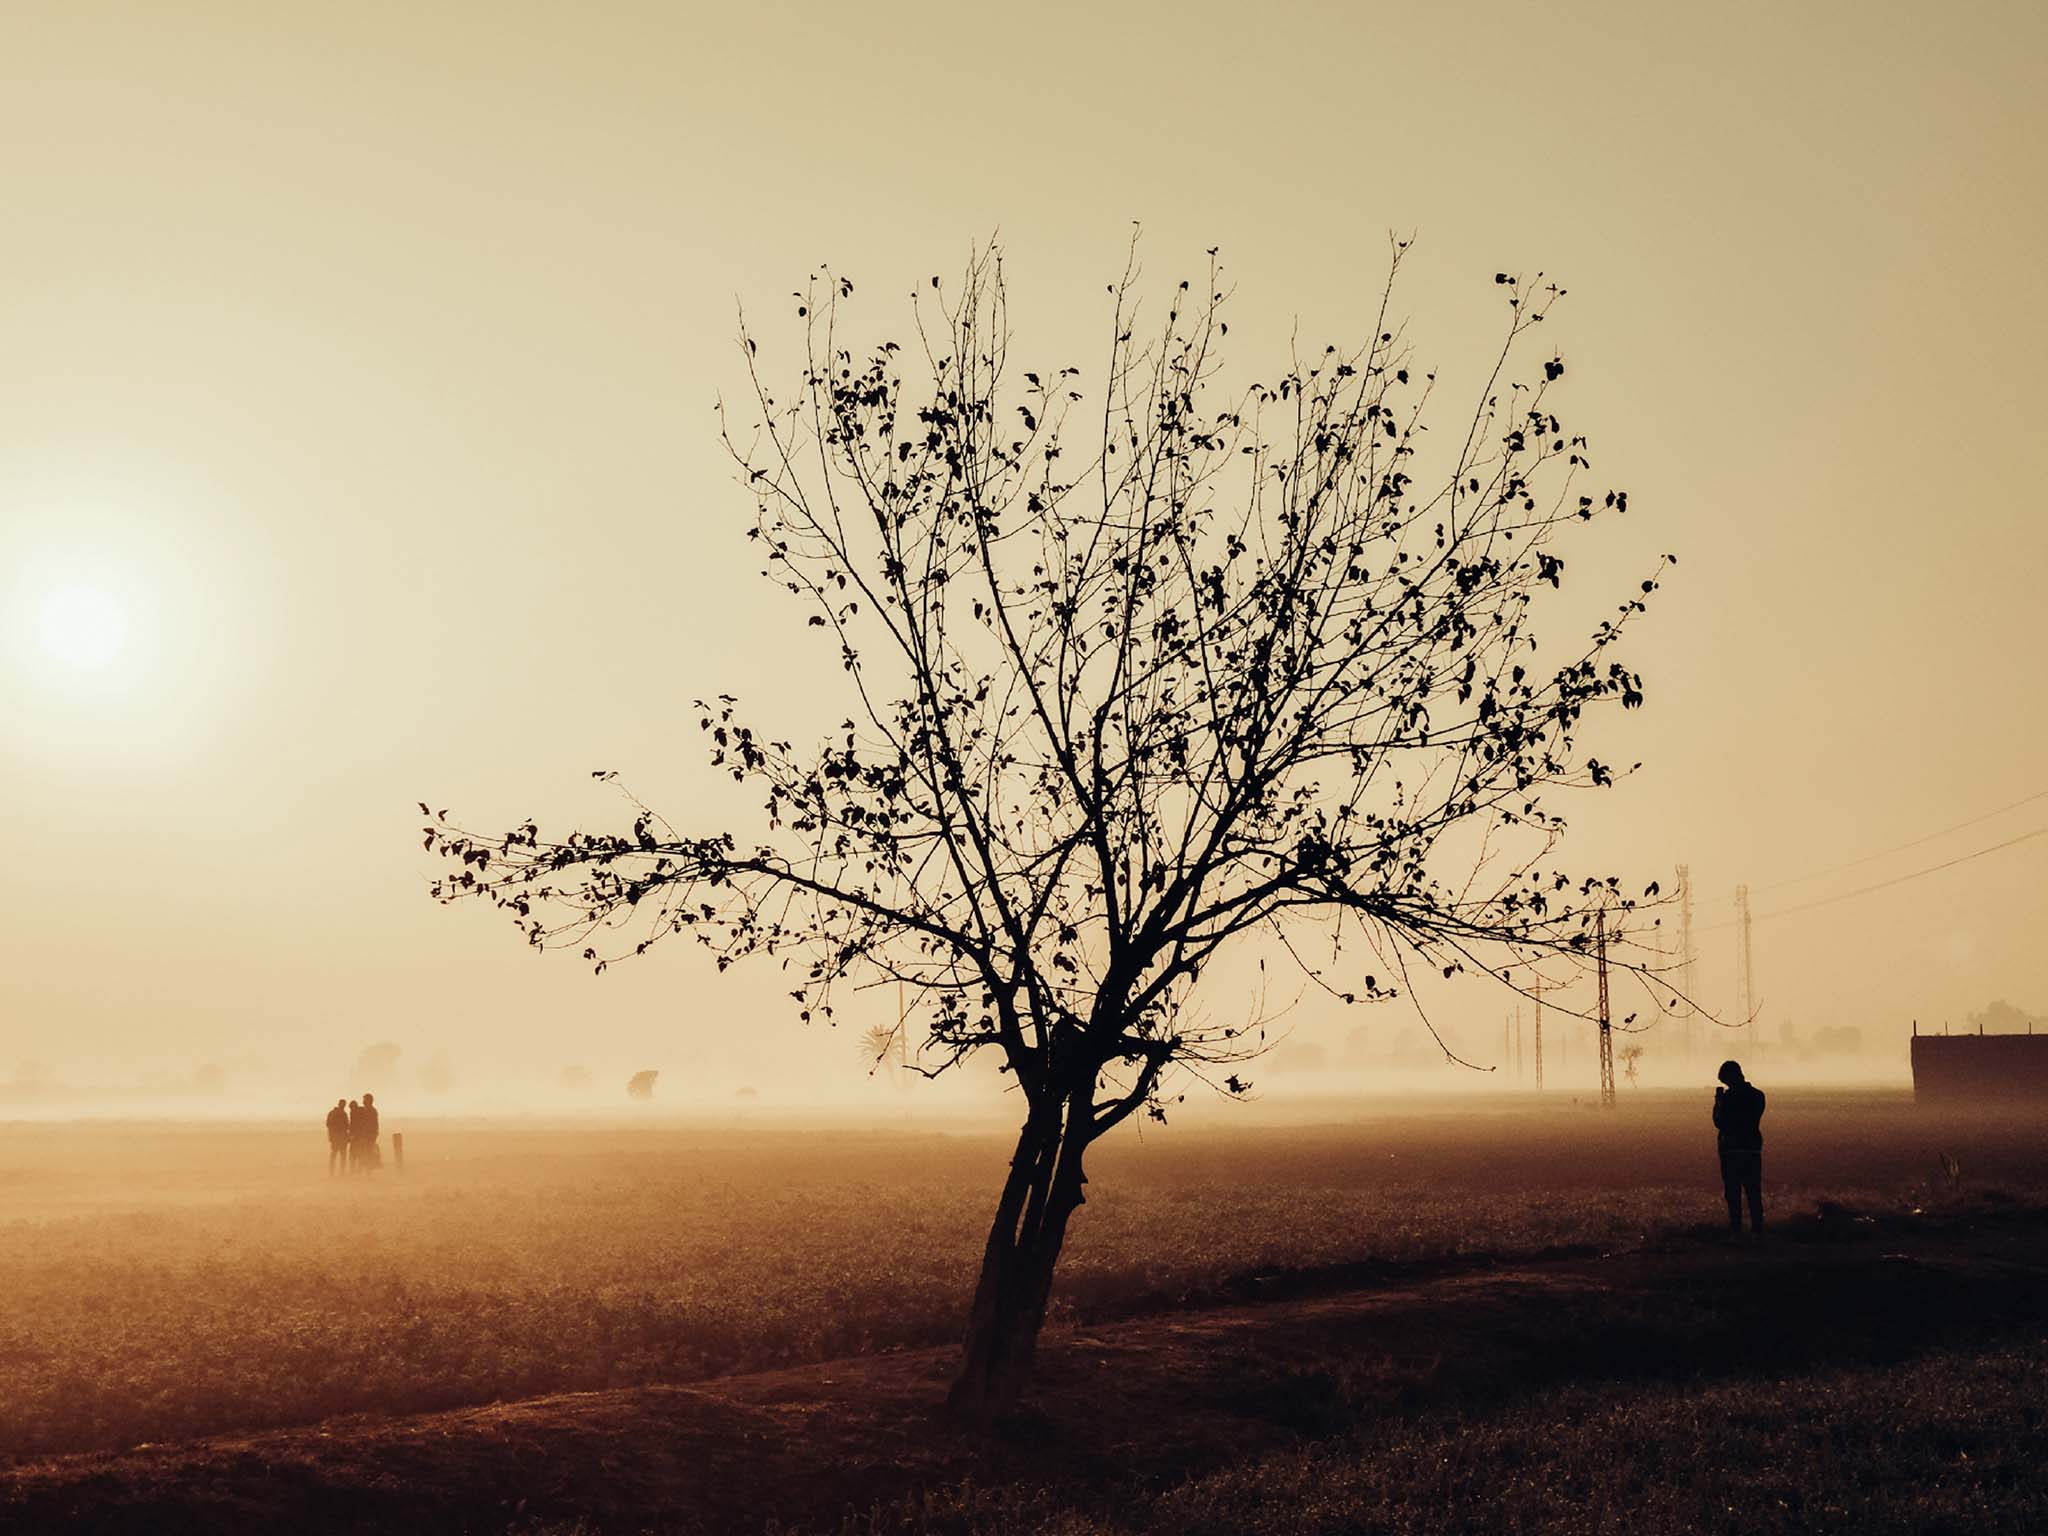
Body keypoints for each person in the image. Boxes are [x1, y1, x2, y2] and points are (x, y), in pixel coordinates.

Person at [1713, 1060, 1766, 1238]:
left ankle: (1736, 1230)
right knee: (1753, 1192)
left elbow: (1719, 1122)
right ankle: (1758, 1230)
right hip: (1752, 1149)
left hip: (1731, 1150)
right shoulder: (1758, 1096)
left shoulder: (1727, 1099)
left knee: (1733, 1194)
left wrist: (1718, 1102)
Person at [353, 1091, 382, 1173]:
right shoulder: (367, 1110)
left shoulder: (371, 1111)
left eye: (364, 1099)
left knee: (367, 1152)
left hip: (368, 1135)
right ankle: (363, 1170)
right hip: (366, 1134)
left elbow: (372, 1124)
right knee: (362, 1152)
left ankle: (366, 1171)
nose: (363, 1101)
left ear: (368, 1100)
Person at [325, 1099, 350, 1176]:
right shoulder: (343, 1114)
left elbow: (328, 1124)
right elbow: (347, 1126)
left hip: (335, 1138)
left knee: (334, 1155)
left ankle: (332, 1172)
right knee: (341, 1155)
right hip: (341, 1138)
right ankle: (340, 1172)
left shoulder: (332, 1113)